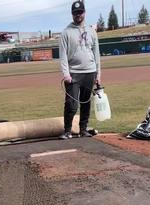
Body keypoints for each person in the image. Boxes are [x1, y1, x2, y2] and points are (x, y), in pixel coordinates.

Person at [59, 0, 101, 139]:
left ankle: (83, 129)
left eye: (80, 12)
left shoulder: (92, 31)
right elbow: (63, 55)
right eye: (75, 13)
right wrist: (66, 74)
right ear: (72, 14)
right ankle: (67, 130)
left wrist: (98, 74)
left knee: (86, 102)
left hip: (90, 71)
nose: (78, 15)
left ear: (84, 12)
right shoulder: (66, 33)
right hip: (73, 73)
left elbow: (96, 54)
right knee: (71, 104)